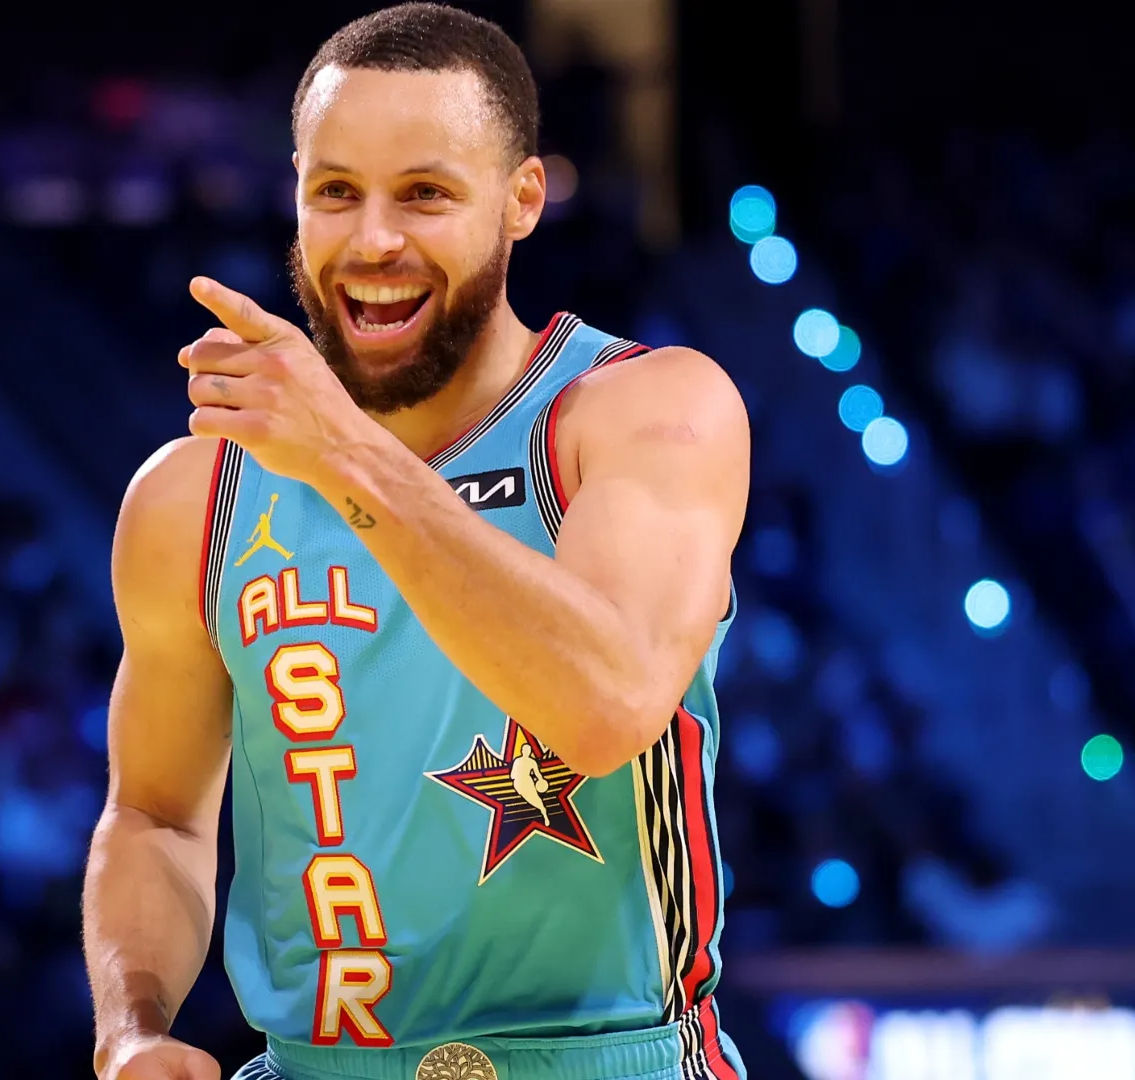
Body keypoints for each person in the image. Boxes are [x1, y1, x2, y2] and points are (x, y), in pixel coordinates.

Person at [83, 5, 750, 1080]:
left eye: (426, 194)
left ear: (522, 199)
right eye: (335, 192)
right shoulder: (192, 498)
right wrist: (135, 1028)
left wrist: (345, 456)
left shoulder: (641, 412)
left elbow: (608, 704)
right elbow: (155, 818)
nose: (375, 239)